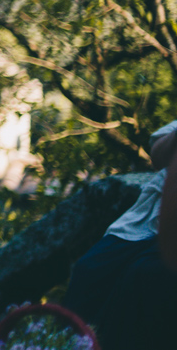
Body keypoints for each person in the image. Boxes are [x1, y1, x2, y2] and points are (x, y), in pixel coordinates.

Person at [63, 120, 177, 349]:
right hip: (143, 224)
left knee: (143, 277)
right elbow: (158, 156)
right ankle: (69, 342)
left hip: (167, 233)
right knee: (89, 271)